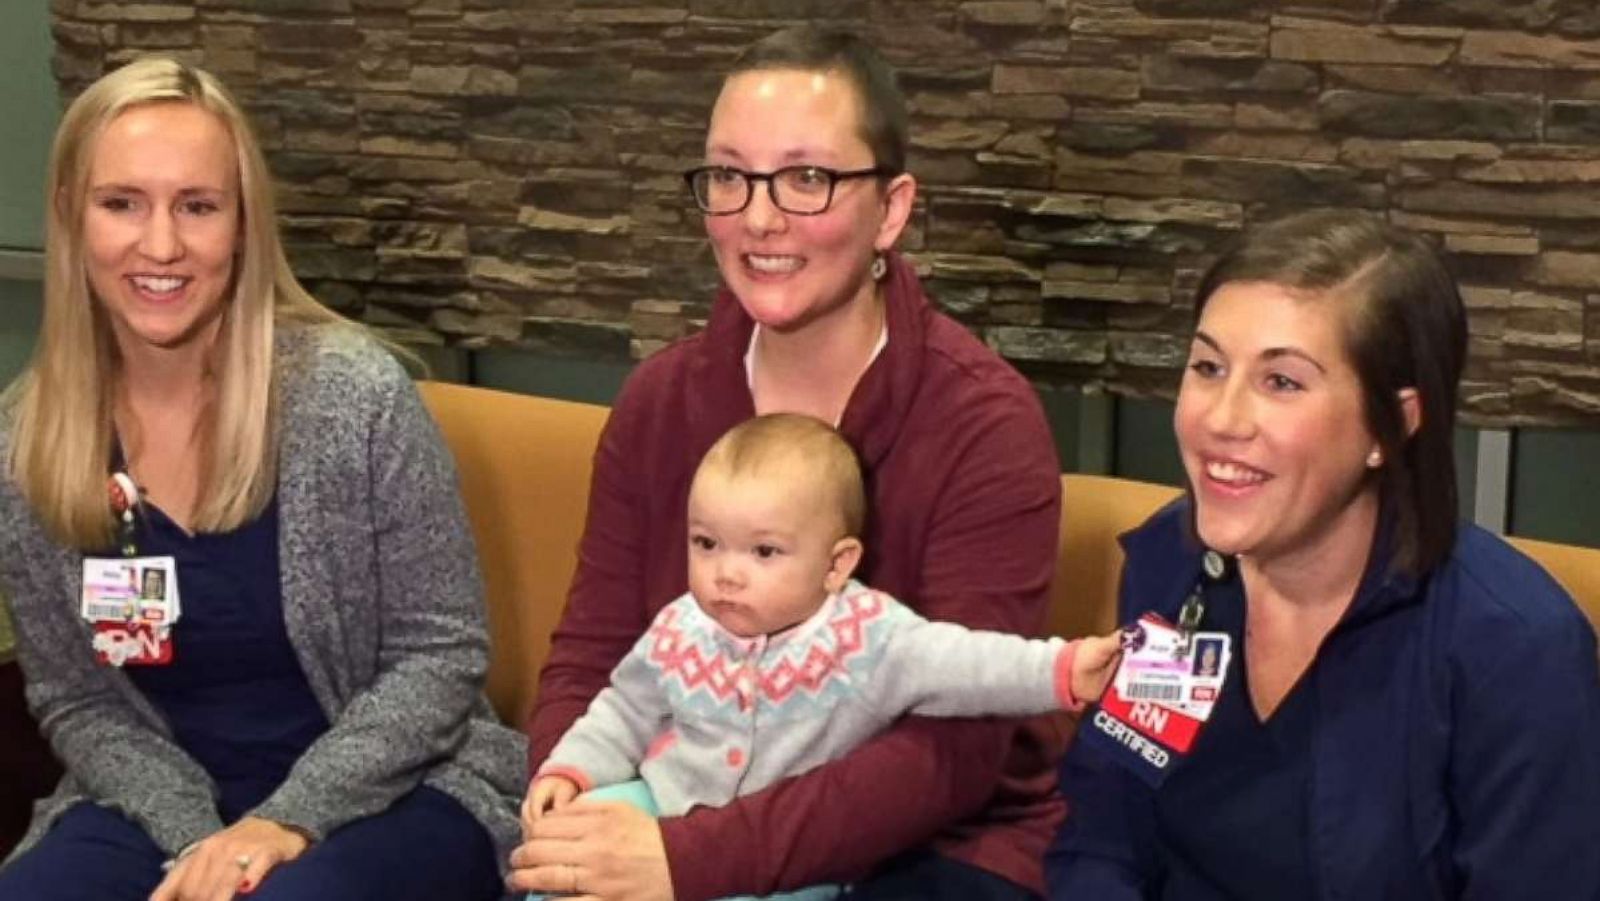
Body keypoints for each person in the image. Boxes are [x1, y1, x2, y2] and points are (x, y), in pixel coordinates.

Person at [510, 24, 1067, 901]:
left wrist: (693, 861)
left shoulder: (983, 422)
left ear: (891, 208)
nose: (759, 217)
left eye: (808, 178)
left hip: (936, 845)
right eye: (729, 176)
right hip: (683, 795)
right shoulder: (660, 401)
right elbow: (594, 654)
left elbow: (953, 753)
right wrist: (570, 802)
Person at [0, 58, 525, 901]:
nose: (161, 244)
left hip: (394, 790)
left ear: (243, 225)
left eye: (197, 206)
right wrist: (200, 840)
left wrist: (282, 823)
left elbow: (441, 657)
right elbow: (76, 701)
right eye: (122, 203)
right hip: (159, 806)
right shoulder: (24, 441)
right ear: (70, 216)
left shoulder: (353, 397)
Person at [1046, 209, 1600, 899]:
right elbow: (1106, 837)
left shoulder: (1513, 651)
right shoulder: (1177, 570)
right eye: (1209, 366)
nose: (1220, 418)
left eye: (1282, 382)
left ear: (1391, 424)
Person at [524, 415, 1125, 901]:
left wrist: (1065, 670)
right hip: (663, 803)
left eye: (764, 551)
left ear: (837, 564)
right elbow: (622, 710)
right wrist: (569, 769)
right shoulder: (681, 625)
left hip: (786, 857)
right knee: (565, 851)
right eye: (706, 544)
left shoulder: (868, 636)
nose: (725, 574)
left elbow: (968, 664)